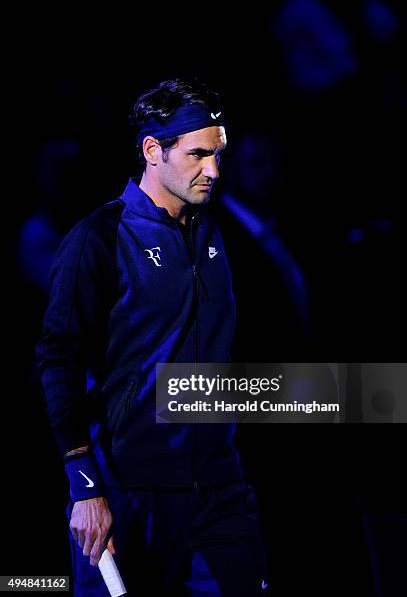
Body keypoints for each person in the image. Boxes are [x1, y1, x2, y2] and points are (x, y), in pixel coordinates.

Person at [37, 78, 269, 595]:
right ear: (152, 151)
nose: (213, 170)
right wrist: (86, 488)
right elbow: (59, 361)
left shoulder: (213, 231)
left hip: (218, 490)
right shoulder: (98, 238)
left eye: (218, 154)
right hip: (127, 494)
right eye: (197, 155)